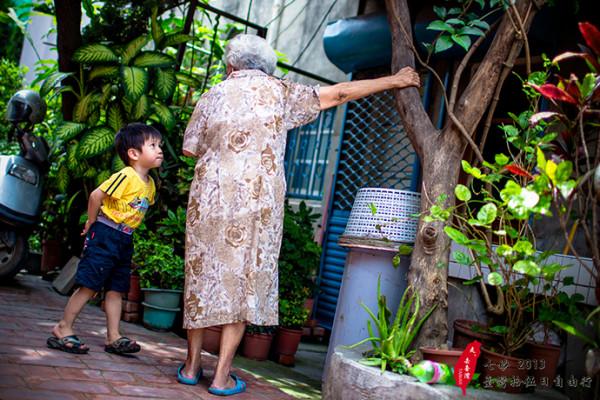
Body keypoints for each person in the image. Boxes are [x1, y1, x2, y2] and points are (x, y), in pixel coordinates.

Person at [179, 34, 420, 395]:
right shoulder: (279, 91)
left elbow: (190, 150)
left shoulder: (211, 95)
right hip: (256, 207)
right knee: (245, 284)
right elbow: (338, 94)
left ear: (231, 66)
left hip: (209, 202)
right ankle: (221, 376)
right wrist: (395, 80)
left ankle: (192, 365)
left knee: (201, 277)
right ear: (267, 66)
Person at [47, 123, 163, 355]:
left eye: (160, 145)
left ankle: (113, 336)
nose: (160, 150)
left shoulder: (150, 185)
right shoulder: (126, 176)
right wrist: (91, 222)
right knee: (90, 284)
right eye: (153, 145)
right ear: (133, 154)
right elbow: (96, 195)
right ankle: (63, 327)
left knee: (116, 289)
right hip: (105, 234)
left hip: (124, 239)